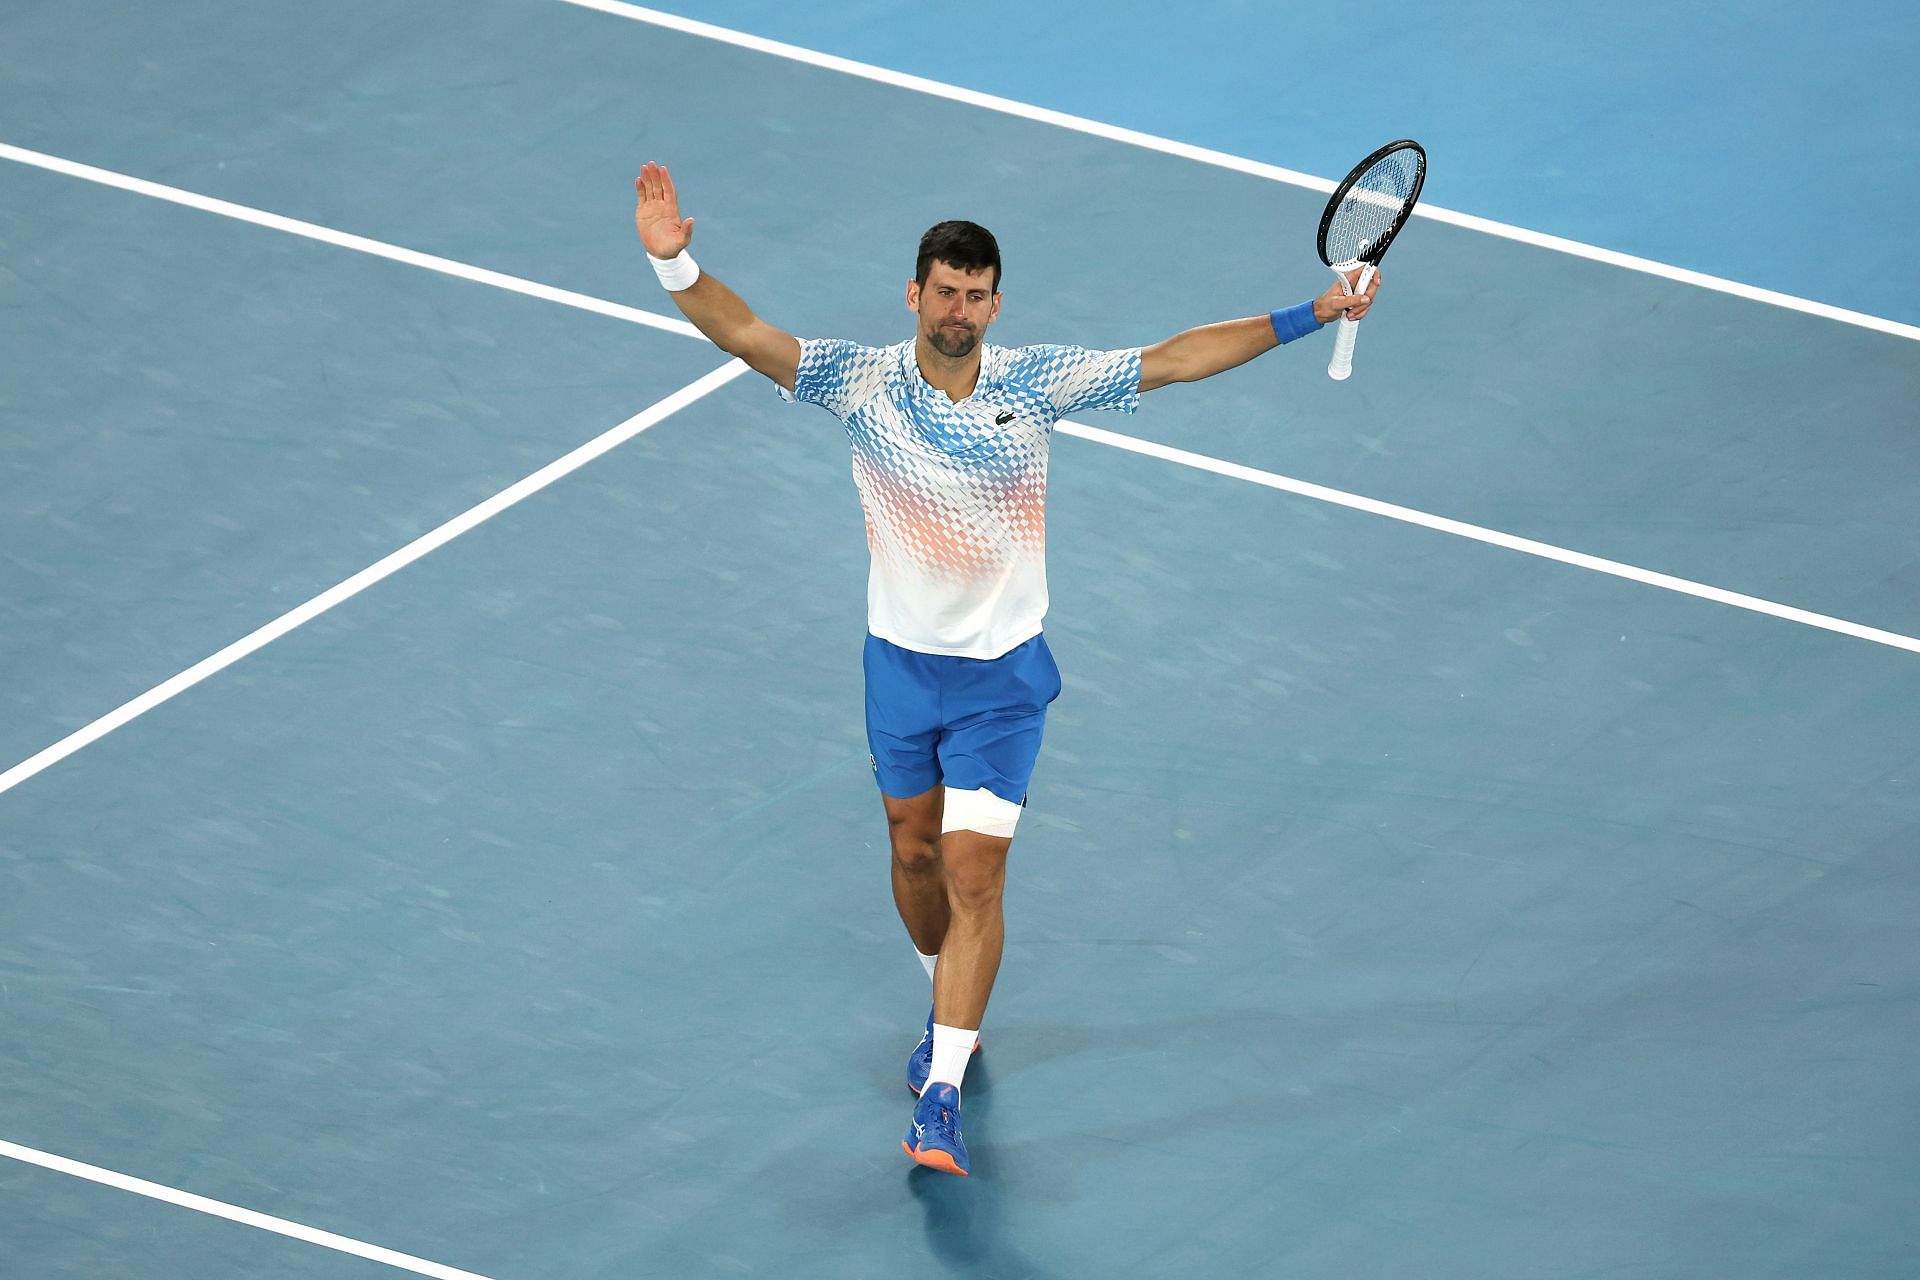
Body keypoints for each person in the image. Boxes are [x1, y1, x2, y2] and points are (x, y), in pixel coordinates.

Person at [632, 161, 1377, 1177]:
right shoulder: (861, 379)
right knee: (913, 852)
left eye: (978, 294)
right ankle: (945, 991)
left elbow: (1176, 358)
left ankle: (941, 1086)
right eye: (945, 290)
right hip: (897, 668)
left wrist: (1311, 311)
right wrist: (675, 263)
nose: (960, 309)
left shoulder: (1037, 380)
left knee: (975, 866)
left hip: (1002, 681)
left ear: (996, 301)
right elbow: (746, 331)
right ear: (915, 293)